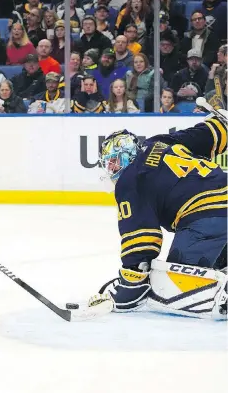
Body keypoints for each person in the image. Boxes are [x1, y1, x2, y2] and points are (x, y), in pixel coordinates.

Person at [96, 110, 227, 319]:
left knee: (174, 282)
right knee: (219, 264)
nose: (111, 169)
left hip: (208, 216)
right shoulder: (160, 142)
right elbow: (209, 133)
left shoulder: (130, 179)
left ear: (125, 155)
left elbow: (141, 238)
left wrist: (132, 280)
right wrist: (222, 123)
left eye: (113, 162)